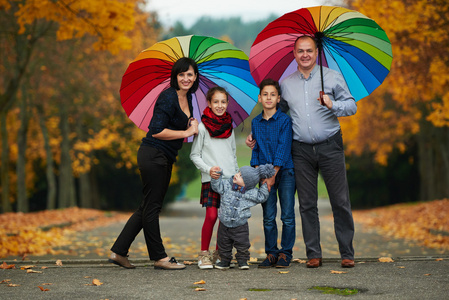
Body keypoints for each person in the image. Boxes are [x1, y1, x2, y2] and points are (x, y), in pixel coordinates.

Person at [247, 36, 357, 268]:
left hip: (330, 145)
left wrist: (332, 104)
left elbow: (351, 105)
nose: (305, 54)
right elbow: (275, 117)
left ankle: (347, 253)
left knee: (340, 201)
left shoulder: (332, 78)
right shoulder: (286, 85)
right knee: (307, 203)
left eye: (309, 50)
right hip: (300, 150)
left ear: (316, 52)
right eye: (300, 51)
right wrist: (255, 135)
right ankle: (313, 253)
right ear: (294, 54)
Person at [109, 57, 200, 270]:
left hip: (164, 157)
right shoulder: (168, 96)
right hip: (153, 154)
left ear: (195, 77)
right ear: (175, 77)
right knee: (152, 207)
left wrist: (191, 123)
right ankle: (159, 258)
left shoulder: (189, 98)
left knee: (146, 207)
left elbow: (178, 126)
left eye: (190, 74)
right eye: (181, 74)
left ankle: (118, 251)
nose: (186, 78)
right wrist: (186, 131)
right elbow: (157, 130)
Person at [190, 86, 239, 269]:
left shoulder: (230, 128)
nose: (220, 105)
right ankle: (204, 254)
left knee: (225, 219)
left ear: (227, 103)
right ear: (209, 103)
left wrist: (236, 176)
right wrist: (208, 169)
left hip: (228, 181)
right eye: (216, 102)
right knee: (211, 216)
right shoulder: (202, 128)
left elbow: (233, 155)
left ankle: (220, 254)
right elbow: (195, 155)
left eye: (223, 102)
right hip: (211, 180)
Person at [249, 78, 296, 268]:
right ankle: (271, 253)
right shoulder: (256, 122)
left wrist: (272, 174)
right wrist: (257, 174)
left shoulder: (285, 120)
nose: (269, 98)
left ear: (278, 98)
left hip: (284, 173)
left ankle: (285, 253)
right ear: (260, 98)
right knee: (268, 215)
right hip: (264, 175)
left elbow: (283, 148)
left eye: (273, 95)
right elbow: (256, 150)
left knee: (287, 215)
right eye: (265, 95)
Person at [211, 164, 275, 270]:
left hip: (240, 225)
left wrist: (264, 185)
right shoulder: (227, 185)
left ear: (247, 184)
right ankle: (225, 261)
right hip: (224, 223)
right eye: (238, 172)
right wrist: (217, 176)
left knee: (242, 244)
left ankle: (242, 261)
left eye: (240, 176)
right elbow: (216, 186)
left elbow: (262, 197)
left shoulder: (251, 193)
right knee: (223, 244)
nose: (236, 175)